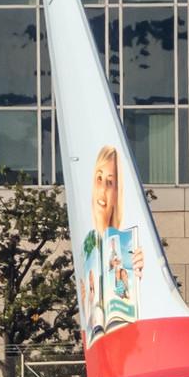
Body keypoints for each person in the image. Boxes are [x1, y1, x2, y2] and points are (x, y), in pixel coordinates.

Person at [79, 145, 145, 339]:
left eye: (110, 182)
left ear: (117, 192)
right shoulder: (87, 249)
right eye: (99, 179)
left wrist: (138, 279)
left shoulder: (129, 247)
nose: (102, 190)